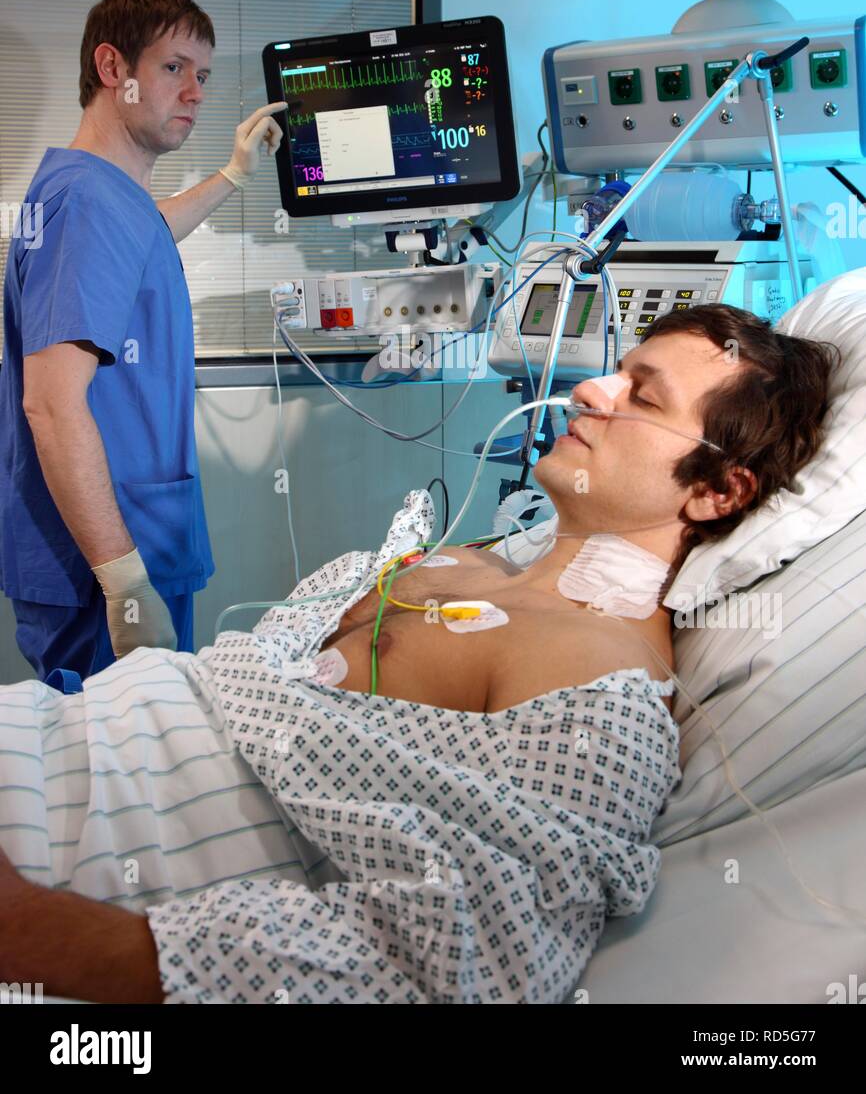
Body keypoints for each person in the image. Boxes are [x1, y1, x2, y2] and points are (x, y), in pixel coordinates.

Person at [0, 304, 835, 1003]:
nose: (591, 388)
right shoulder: (470, 559)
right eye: (616, 369)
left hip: (71, 844)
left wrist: (35, 933)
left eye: (641, 397)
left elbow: (477, 957)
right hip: (48, 737)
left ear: (716, 488)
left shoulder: (601, 686)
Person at [0, 0, 286, 684]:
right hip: (104, 570)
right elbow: (52, 405)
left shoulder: (93, 194)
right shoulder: (90, 203)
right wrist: (126, 588)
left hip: (121, 546)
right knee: (113, 783)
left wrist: (233, 175)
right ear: (111, 69)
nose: (195, 92)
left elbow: (145, 235)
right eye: (173, 68)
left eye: (204, 76)